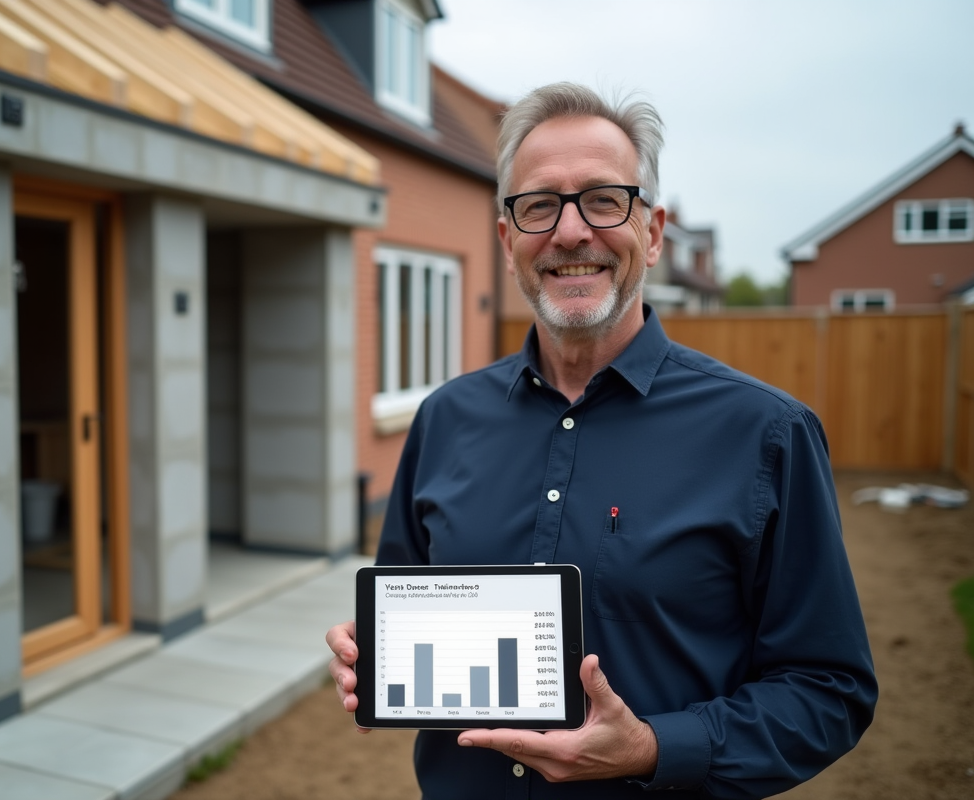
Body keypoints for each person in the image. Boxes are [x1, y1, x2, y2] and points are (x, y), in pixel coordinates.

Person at [326, 82, 877, 800]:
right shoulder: (445, 419)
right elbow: (406, 605)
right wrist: (377, 657)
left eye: (604, 199)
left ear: (652, 232)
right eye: (540, 205)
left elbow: (829, 691)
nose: (571, 231)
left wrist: (654, 749)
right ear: (507, 238)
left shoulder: (766, 434)